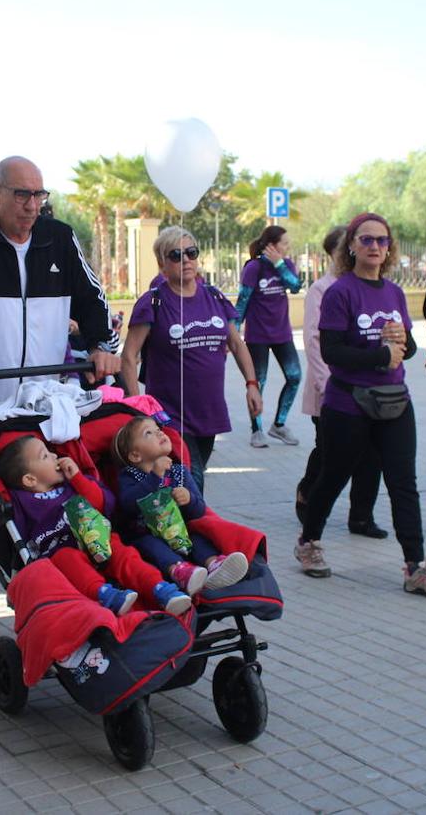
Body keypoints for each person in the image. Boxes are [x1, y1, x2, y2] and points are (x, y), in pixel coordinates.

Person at [0, 156, 120, 627]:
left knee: (57, 492)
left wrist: (102, 347)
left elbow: (95, 301)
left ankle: (65, 579)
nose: (32, 206)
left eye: (39, 195)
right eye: (21, 195)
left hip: (47, 400)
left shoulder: (60, 237)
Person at [295, 212, 426, 597]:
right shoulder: (340, 292)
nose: (375, 247)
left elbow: (409, 349)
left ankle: (416, 566)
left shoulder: (395, 293)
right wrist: (381, 356)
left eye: (382, 241)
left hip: (394, 402)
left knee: (404, 484)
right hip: (348, 403)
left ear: (390, 247)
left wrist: (401, 343)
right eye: (366, 240)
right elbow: (332, 351)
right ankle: (308, 541)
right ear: (351, 245)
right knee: (334, 476)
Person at [120, 226, 261, 492]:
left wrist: (252, 384)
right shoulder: (153, 302)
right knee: (192, 480)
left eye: (190, 252)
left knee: (191, 478)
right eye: (175, 255)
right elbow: (128, 355)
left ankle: (173, 527)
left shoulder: (215, 297)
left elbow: (236, 344)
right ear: (162, 264)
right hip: (169, 414)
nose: (185, 260)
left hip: (208, 412)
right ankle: (193, 530)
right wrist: (135, 405)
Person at [0, 436, 191, 615]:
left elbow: (103, 503)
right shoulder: (22, 500)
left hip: (99, 535)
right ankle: (104, 594)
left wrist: (78, 478)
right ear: (30, 479)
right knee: (68, 561)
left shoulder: (73, 483)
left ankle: (159, 588)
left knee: (125, 555)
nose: (55, 456)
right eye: (45, 455)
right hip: (61, 547)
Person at [296, 227, 384, 539]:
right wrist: (325, 382)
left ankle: (362, 516)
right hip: (331, 387)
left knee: (371, 452)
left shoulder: (368, 286)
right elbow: (314, 339)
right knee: (331, 450)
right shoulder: (323, 289)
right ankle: (308, 492)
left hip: (368, 387)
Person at [111, 415, 250, 592]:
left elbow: (200, 510)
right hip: (146, 534)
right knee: (150, 545)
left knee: (197, 538)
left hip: (180, 531)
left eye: (158, 429)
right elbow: (128, 504)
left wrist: (189, 499)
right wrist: (155, 476)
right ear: (135, 455)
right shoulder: (130, 476)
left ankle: (213, 564)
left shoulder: (179, 472)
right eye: (148, 433)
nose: (159, 433)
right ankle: (179, 571)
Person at [235, 225, 303, 448]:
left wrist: (279, 264)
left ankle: (279, 425)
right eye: (284, 243)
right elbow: (243, 300)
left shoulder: (285, 265)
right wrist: (233, 332)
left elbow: (295, 286)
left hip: (282, 333)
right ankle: (257, 430)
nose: (287, 246)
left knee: (294, 376)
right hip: (258, 336)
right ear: (272, 245)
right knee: (258, 382)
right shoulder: (253, 268)